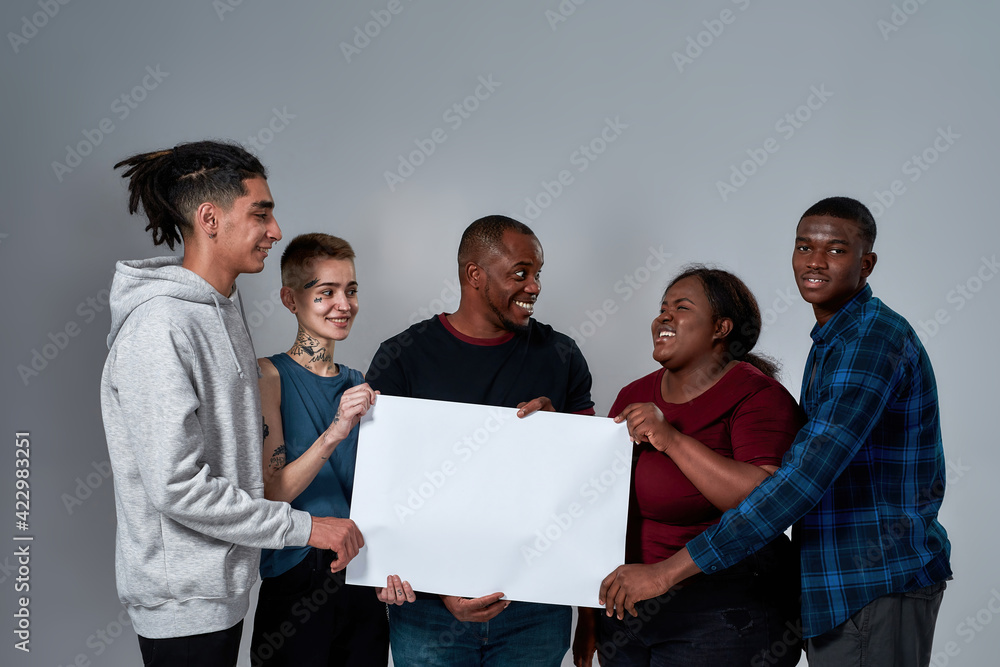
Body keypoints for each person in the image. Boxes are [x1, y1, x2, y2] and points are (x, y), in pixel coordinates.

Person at [601, 197, 952, 667]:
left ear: (866, 264)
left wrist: (667, 573)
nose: (815, 261)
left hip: (871, 577)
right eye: (804, 246)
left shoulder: (871, 342)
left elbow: (797, 485)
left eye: (836, 250)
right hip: (831, 581)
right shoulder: (834, 341)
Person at [101, 141, 364, 667]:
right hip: (182, 602)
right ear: (209, 218)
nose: (276, 230)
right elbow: (176, 486)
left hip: (219, 591)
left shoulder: (218, 313)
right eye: (261, 214)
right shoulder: (162, 326)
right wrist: (305, 527)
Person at [366, 214, 595, 666]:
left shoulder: (561, 355)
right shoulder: (404, 356)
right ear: (475, 275)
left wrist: (562, 437)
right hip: (429, 611)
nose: (534, 287)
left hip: (536, 608)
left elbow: (588, 487)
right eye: (520, 273)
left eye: (537, 274)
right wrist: (439, 584)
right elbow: (383, 484)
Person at [573, 266, 803, 666]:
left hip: (724, 616)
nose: (663, 316)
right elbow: (598, 506)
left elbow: (766, 502)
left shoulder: (758, 395)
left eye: (681, 307)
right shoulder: (634, 394)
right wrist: (587, 614)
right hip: (626, 613)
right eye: (662, 307)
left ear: (721, 328)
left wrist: (672, 440)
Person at [247, 233, 406, 665]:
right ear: (290, 299)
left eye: (351, 290)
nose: (343, 304)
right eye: (326, 293)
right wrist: (336, 429)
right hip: (297, 573)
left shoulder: (361, 384)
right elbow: (273, 491)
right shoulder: (268, 375)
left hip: (360, 574)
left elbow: (384, 493)